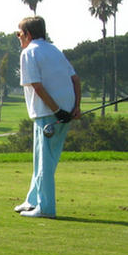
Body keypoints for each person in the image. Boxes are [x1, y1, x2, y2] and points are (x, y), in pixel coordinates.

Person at [14, 16, 81, 218]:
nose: (19, 38)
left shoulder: (29, 52)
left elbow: (37, 85)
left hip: (49, 114)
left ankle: (46, 208)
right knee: (41, 159)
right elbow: (75, 79)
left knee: (45, 161)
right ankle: (32, 200)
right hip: (63, 111)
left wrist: (56, 110)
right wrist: (75, 107)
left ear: (28, 34)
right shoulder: (54, 50)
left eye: (19, 34)